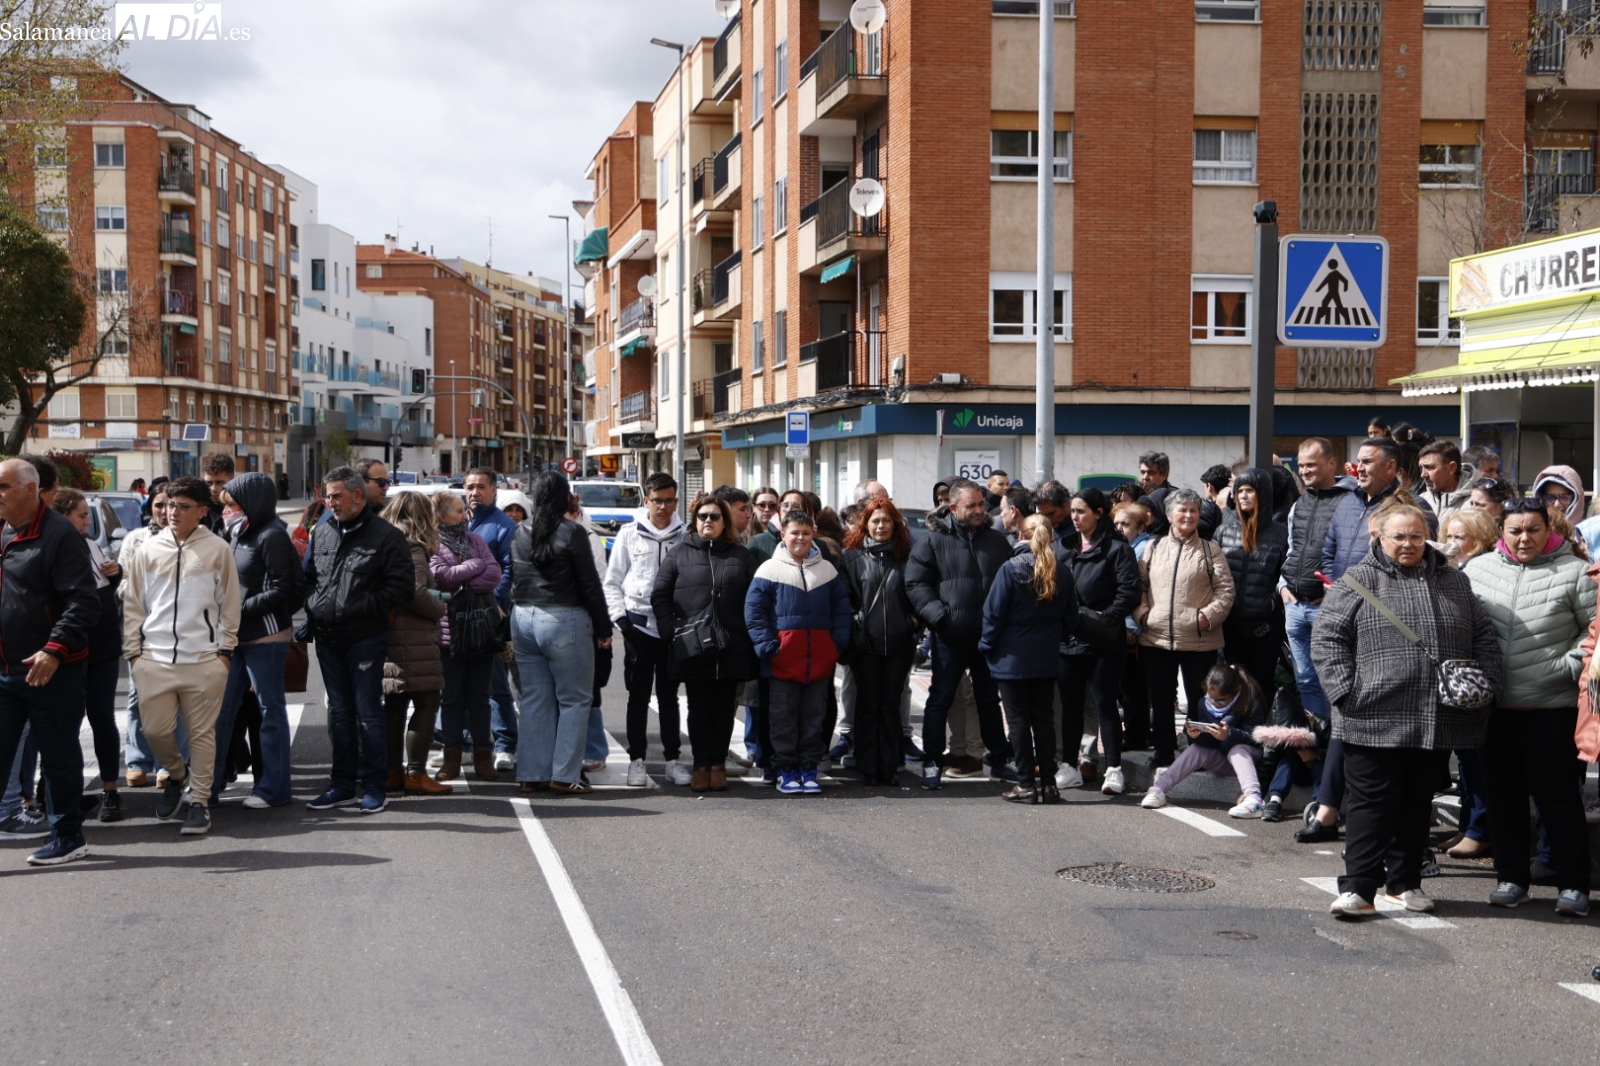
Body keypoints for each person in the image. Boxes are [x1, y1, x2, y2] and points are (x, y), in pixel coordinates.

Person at [1312, 501, 1500, 918]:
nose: (1408, 544)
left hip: (1435, 716)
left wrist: (1486, 681)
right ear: (1379, 537)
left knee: (1416, 804)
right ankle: (1358, 888)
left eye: (1417, 536)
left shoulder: (1453, 580)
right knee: (1370, 804)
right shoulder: (1357, 580)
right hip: (1370, 714)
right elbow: (1326, 640)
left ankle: (1404, 884)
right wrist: (1346, 692)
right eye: (1399, 536)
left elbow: (1484, 635)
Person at [1466, 499, 1594, 916]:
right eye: (1515, 530)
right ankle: (1511, 878)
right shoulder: (1477, 569)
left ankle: (1573, 885)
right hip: (1494, 708)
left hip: (1552, 706)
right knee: (1503, 798)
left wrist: (1565, 666)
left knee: (1559, 800)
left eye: (1533, 530)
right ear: (1501, 532)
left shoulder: (1576, 572)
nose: (1524, 539)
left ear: (1549, 530)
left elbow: (1594, 630)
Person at [1299, 436, 1430, 842]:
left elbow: (1421, 565)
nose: (1360, 468)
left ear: (1392, 467)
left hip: (1389, 627)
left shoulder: (1410, 510)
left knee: (1367, 726)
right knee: (1345, 714)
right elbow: (1328, 553)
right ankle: (1329, 807)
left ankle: (1341, 811)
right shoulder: (1347, 503)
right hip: (1344, 618)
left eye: (1369, 461)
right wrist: (1336, 590)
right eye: (1358, 460)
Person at [121, 475, 241, 836]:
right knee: (155, 730)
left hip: (204, 659)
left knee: (202, 734)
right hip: (153, 660)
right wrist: (134, 654)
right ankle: (176, 774)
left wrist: (225, 653)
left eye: (182, 506)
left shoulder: (217, 549)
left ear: (202, 511)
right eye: (170, 504)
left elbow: (230, 604)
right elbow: (133, 604)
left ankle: (199, 802)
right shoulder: (148, 549)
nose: (172, 512)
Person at [0, 459, 100, 864]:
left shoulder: (60, 535)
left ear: (30, 490)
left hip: (52, 671)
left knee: (59, 759)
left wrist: (54, 648)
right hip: (5, 670)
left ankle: (68, 836)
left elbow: (83, 602)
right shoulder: (2, 531)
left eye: (3, 487)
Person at [302, 466, 415, 813]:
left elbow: (401, 589)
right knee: (339, 714)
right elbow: (309, 577)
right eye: (327, 496)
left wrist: (358, 607)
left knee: (368, 713)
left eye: (336, 496)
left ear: (356, 495)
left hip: (365, 638)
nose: (331, 502)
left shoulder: (386, 536)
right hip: (328, 638)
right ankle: (341, 786)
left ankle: (375, 787)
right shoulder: (323, 532)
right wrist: (314, 605)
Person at [906, 478, 1016, 789]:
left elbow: (1010, 583)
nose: (980, 510)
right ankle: (932, 761)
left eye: (982, 504)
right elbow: (915, 584)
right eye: (972, 505)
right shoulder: (932, 541)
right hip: (949, 637)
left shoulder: (997, 541)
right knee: (939, 700)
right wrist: (939, 617)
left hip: (988, 639)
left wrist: (1002, 623)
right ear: (953, 508)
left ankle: (999, 759)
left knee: (988, 702)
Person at [511, 472, 612, 794]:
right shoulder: (572, 531)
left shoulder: (521, 530)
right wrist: (603, 628)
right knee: (575, 699)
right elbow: (589, 584)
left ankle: (531, 773)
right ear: (563, 497)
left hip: (523, 616)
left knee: (534, 699)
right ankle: (565, 774)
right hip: (564, 617)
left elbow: (513, 575)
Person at [651, 493, 758, 792]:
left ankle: (717, 766)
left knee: (724, 709)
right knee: (698, 709)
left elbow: (757, 598)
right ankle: (700, 766)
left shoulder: (742, 556)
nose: (708, 520)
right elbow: (660, 595)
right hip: (693, 646)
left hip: (732, 646)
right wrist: (670, 631)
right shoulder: (678, 554)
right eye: (702, 516)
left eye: (714, 516)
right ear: (695, 520)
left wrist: (750, 634)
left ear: (725, 522)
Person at [209, 473, 301, 809]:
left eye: (232, 505)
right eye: (225, 506)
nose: (227, 511)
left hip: (266, 637)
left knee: (269, 713)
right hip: (233, 636)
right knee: (219, 712)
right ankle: (207, 785)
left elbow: (284, 588)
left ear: (252, 503)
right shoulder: (237, 534)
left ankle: (273, 789)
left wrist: (239, 609)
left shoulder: (272, 535)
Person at [745, 510, 852, 795]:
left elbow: (842, 612)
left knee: (814, 718)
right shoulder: (769, 569)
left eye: (806, 533)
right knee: (783, 719)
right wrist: (769, 648)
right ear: (783, 535)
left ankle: (809, 768)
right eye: (794, 533)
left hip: (819, 662)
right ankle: (786, 770)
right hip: (782, 662)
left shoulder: (826, 570)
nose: (800, 538)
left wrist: (834, 646)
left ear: (813, 534)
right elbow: (754, 613)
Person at [1135, 489, 1236, 768]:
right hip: (1156, 638)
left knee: (1199, 700)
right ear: (1169, 515)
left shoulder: (1210, 550)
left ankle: (1199, 751)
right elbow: (1138, 586)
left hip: (1199, 639)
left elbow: (1226, 591)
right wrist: (1143, 614)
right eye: (1183, 510)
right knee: (1161, 698)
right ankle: (1163, 750)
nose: (1189, 515)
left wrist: (1207, 616)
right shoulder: (1153, 548)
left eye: (1194, 510)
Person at [981, 514, 1077, 803]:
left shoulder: (1010, 568)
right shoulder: (1061, 571)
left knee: (1018, 720)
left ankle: (1025, 784)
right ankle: (1048, 784)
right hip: (1046, 656)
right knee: (1044, 719)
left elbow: (993, 613)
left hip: (1011, 657)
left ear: (1021, 536)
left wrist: (986, 645)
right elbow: (1071, 618)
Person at [603, 472, 689, 787]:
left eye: (668, 500)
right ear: (646, 501)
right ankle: (636, 761)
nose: (663, 507)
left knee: (669, 697)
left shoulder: (686, 536)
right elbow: (612, 581)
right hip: (637, 626)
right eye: (657, 501)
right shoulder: (629, 534)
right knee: (637, 696)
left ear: (676, 501)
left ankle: (672, 761)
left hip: (672, 629)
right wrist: (621, 621)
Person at [1058, 488, 1142, 794]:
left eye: (1081, 511)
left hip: (1104, 640)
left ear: (1098, 513)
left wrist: (1104, 619)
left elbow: (1129, 592)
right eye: (1073, 511)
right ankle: (1069, 766)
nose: (1075, 517)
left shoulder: (1117, 549)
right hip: (1068, 640)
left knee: (1105, 704)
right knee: (1070, 707)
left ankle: (1113, 769)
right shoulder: (1063, 548)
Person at [51, 488, 124, 822]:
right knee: (63, 724)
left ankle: (110, 790)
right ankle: (61, 794)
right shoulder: (51, 549)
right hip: (67, 649)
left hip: (103, 648)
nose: (87, 522)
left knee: (102, 718)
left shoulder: (90, 544)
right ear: (62, 516)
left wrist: (115, 574)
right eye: (81, 516)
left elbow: (103, 592)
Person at [377, 492, 451, 796]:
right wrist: (440, 608)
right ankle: (416, 774)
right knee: (427, 701)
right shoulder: (414, 548)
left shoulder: (384, 544)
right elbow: (414, 591)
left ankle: (391, 772)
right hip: (414, 636)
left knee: (395, 704)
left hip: (388, 633)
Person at [841, 499, 919, 786]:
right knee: (868, 703)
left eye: (886, 520)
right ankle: (868, 766)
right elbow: (845, 598)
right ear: (865, 525)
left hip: (900, 644)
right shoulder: (851, 557)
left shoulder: (907, 556)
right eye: (875, 521)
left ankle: (890, 765)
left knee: (890, 704)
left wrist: (914, 623)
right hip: (865, 645)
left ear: (895, 524)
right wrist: (856, 622)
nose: (881, 526)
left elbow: (919, 593)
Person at [431, 490, 503, 783]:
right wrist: (475, 566)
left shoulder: (475, 540)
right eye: (459, 510)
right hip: (449, 636)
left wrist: (465, 585)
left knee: (480, 698)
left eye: (464, 510)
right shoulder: (432, 543)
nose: (465, 515)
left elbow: (495, 574)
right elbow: (441, 577)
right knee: (451, 699)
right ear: (441, 515)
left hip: (482, 631)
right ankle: (452, 757)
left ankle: (483, 758)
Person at [1140, 662, 1268, 817]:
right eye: (1211, 698)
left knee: (1237, 749)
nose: (1215, 703)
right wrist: (1196, 735)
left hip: (1249, 759)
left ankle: (1254, 799)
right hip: (1223, 757)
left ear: (1235, 693)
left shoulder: (1249, 700)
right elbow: (1209, 744)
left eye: (1221, 700)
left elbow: (1256, 737)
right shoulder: (1203, 703)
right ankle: (1159, 789)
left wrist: (1229, 735)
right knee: (1196, 749)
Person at [1214, 468, 1289, 709]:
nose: (1243, 496)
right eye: (1239, 491)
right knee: (1234, 687)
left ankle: (1261, 731)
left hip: (1265, 627)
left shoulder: (1280, 534)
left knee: (1262, 686)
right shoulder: (1223, 531)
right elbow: (1212, 573)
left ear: (1262, 494)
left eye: (1249, 491)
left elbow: (1287, 574)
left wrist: (1272, 602)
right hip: (1231, 625)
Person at [119, 482, 178, 788]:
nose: (165, 511)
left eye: (171, 504)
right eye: (159, 505)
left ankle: (168, 764)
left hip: (179, 633)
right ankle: (137, 762)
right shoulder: (135, 539)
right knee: (137, 698)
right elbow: (122, 582)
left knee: (176, 699)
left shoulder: (191, 540)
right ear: (150, 508)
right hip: (142, 631)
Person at [463, 468, 519, 772]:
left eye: (481, 487)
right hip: (458, 617)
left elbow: (510, 569)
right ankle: (460, 740)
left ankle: (505, 744)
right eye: (470, 486)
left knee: (496, 683)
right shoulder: (458, 519)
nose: (475, 492)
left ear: (494, 490)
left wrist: (493, 603)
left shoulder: (503, 526)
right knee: (459, 682)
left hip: (490, 617)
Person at [1417, 441, 1470, 524]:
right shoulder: (1420, 502)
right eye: (1421, 468)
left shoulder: (1475, 503)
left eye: (1429, 467)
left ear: (1451, 468)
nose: (1423, 475)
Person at [1137, 452, 1178, 538]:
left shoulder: (1176, 498)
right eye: (1142, 472)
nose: (1145, 477)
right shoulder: (1134, 494)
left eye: (1151, 473)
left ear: (1164, 475)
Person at [200, 452, 236, 533]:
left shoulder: (242, 508)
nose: (213, 489)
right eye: (209, 483)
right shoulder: (198, 508)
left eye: (219, 482)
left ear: (232, 480)